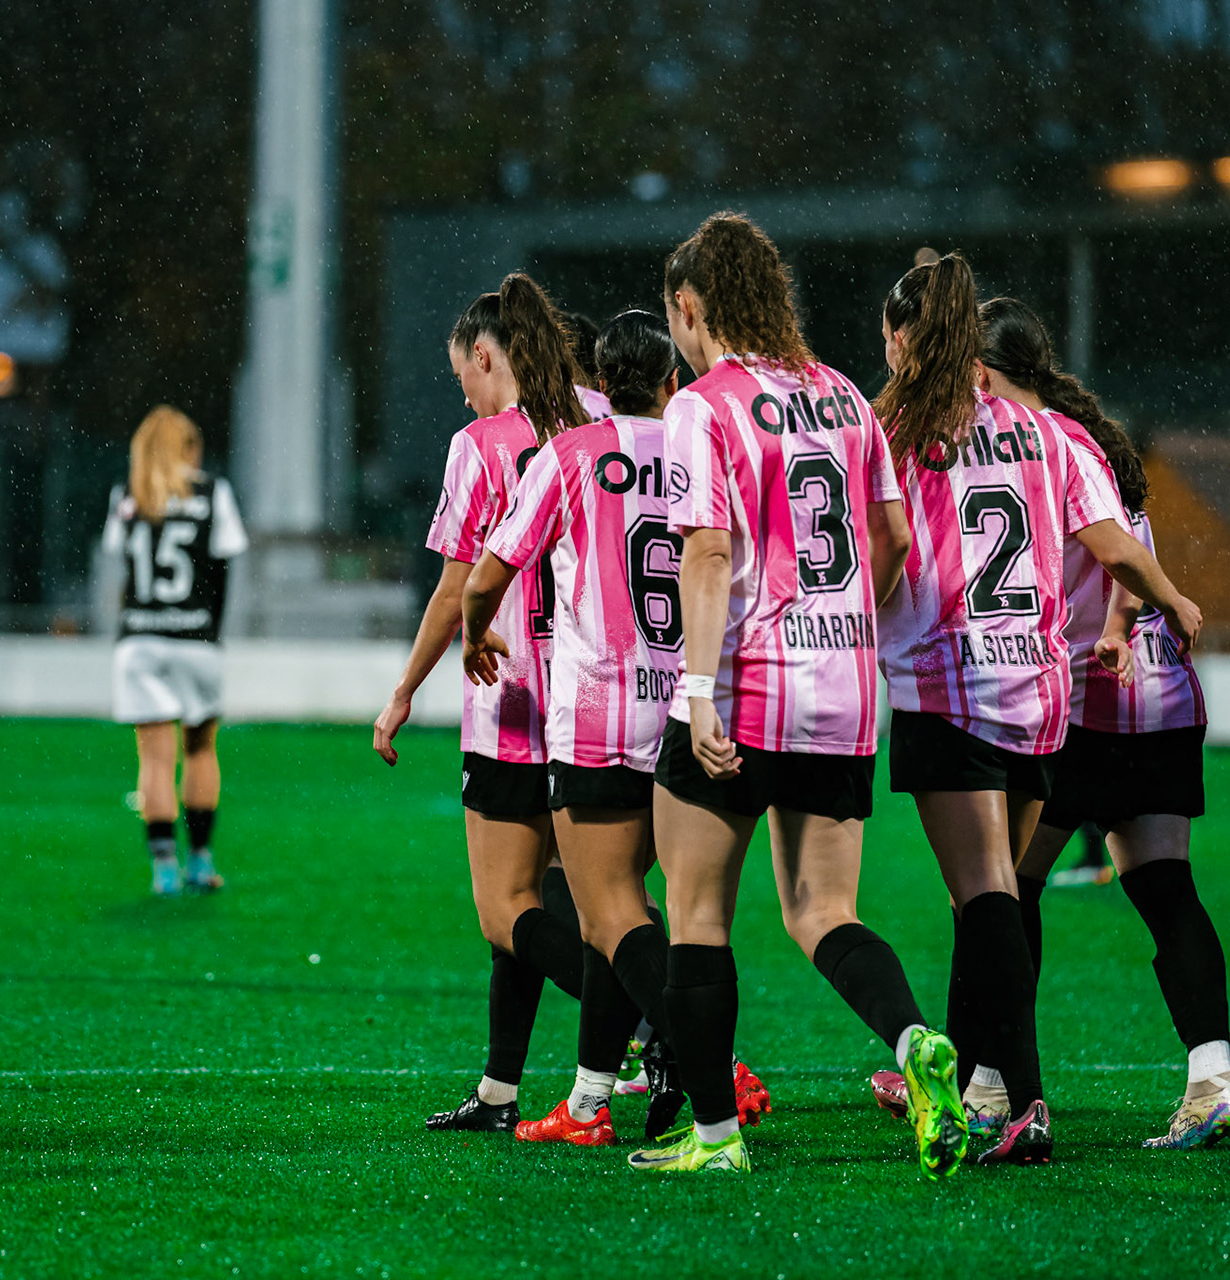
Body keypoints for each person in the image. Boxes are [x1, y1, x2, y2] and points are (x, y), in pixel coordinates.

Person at [625, 211, 964, 1179]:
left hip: (744, 691)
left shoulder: (704, 406)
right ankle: (912, 1040)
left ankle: (716, 1137)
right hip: (843, 695)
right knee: (823, 912)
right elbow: (892, 539)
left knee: (696, 915)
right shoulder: (846, 396)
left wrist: (697, 691)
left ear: (689, 307)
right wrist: (848, 622)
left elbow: (706, 550)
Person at [871, 257, 1203, 1165]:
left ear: (902, 339)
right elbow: (1112, 545)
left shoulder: (894, 429)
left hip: (947, 685)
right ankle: (987, 1090)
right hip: (1038, 692)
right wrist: (1171, 599)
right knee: (1000, 892)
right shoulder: (1045, 431)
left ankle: (1018, 1099)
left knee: (983, 895)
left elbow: (883, 543)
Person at [462, 310, 771, 1148]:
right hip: (693, 708)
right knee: (635, 908)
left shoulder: (571, 454)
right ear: (672, 381)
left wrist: (475, 631)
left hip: (600, 713)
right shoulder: (706, 450)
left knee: (607, 915)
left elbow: (488, 573)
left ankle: (707, 1067)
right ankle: (590, 1099)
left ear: (602, 379)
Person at [981, 296, 1230, 1151]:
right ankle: (1214, 1079)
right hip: (1163, 699)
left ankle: (991, 1085)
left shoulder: (1036, 444)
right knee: (1164, 886)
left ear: (985, 372)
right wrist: (1132, 619)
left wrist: (1112, 627)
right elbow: (1132, 543)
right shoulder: (1094, 439)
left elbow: (1118, 555)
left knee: (1006, 889)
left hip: (1085, 702)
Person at [374, 272, 591, 1133]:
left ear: (488, 356)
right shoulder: (598, 418)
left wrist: (402, 692)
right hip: (601, 702)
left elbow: (454, 588)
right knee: (579, 895)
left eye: (461, 370)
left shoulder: (482, 446)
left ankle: (669, 1029)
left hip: (511, 700)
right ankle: (502, 1089)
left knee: (505, 912)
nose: (460, 389)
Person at [101, 406, 248, 896]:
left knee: (155, 761)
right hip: (195, 639)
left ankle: (163, 869)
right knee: (200, 750)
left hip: (139, 639)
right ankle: (200, 862)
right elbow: (222, 573)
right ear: (188, 448)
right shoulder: (212, 493)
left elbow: (121, 571)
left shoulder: (128, 495)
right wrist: (209, 632)